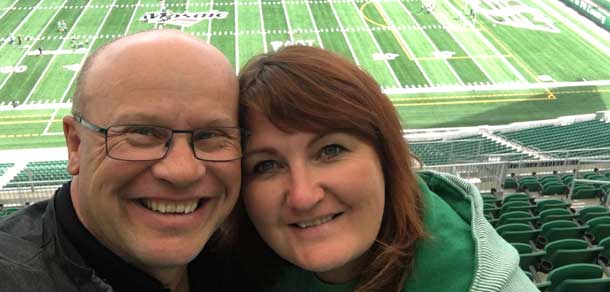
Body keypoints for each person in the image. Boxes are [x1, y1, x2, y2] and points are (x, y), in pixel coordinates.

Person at [234, 45, 538, 292]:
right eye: (266, 165)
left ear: (386, 156)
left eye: (331, 150)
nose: (303, 196)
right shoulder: (232, 268)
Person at [0, 30, 245, 291]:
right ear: (76, 145)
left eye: (210, 135)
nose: (182, 171)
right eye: (142, 133)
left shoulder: (254, 261)